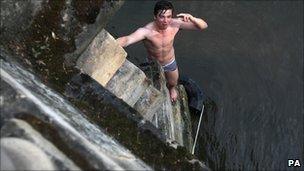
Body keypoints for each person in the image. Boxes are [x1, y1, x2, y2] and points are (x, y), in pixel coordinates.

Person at [117, 0, 208, 102]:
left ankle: (171, 89)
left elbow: (203, 26)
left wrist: (192, 18)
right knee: (151, 84)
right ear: (155, 16)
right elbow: (127, 39)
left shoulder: (175, 24)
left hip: (169, 61)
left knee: (173, 82)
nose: (165, 21)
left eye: (169, 16)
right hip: (153, 63)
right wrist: (112, 43)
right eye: (162, 17)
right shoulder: (146, 31)